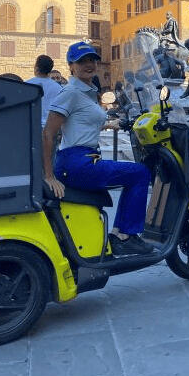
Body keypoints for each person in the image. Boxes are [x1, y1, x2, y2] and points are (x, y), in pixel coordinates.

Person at [43, 41, 154, 257]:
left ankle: (119, 233)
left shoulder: (86, 92)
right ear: (70, 66)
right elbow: (48, 133)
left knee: (133, 173)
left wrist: (112, 124)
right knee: (140, 173)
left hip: (81, 159)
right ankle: (127, 236)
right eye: (81, 61)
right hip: (77, 163)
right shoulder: (71, 92)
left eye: (92, 59)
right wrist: (49, 176)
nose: (89, 64)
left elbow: (81, 121)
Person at [26, 55, 63, 129]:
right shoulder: (58, 88)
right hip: (52, 128)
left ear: (36, 68)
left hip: (31, 127)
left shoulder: (27, 85)